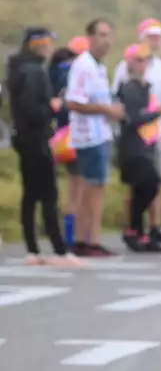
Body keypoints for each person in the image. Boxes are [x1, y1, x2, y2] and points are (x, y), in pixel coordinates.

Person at [7, 28, 83, 266]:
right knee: (48, 194)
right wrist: (52, 107)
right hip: (36, 138)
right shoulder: (33, 72)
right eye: (48, 43)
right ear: (39, 45)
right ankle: (60, 251)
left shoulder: (18, 68)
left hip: (22, 137)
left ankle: (33, 249)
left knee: (31, 194)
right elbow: (32, 109)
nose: (51, 48)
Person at [112, 18, 161, 247]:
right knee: (139, 183)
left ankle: (154, 228)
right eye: (151, 36)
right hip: (136, 134)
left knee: (156, 180)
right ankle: (134, 228)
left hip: (155, 131)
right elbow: (122, 105)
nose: (156, 40)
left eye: (158, 36)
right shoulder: (124, 69)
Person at [65, 18, 124, 257]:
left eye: (109, 35)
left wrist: (111, 111)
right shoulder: (84, 65)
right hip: (88, 136)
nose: (106, 40)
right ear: (90, 37)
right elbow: (74, 101)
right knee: (91, 188)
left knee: (97, 187)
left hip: (101, 133)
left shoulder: (100, 67)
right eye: (101, 35)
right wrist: (106, 110)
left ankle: (88, 239)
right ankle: (86, 240)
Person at [116, 43, 161, 252]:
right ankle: (133, 230)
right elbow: (133, 119)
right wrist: (157, 113)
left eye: (146, 59)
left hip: (146, 144)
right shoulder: (128, 88)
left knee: (146, 188)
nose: (143, 64)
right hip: (133, 146)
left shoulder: (145, 87)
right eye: (138, 59)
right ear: (129, 63)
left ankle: (138, 231)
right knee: (148, 185)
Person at [48, 36, 89, 250]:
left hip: (56, 137)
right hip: (75, 135)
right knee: (78, 185)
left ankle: (65, 232)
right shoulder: (76, 72)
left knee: (63, 187)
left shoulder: (53, 70)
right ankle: (72, 236)